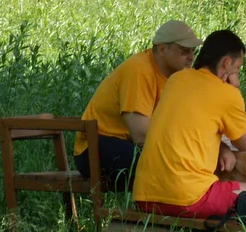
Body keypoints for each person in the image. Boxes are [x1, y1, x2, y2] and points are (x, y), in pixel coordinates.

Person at [133, 29, 246, 218]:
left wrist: (221, 145)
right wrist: (234, 89)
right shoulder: (227, 93)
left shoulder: (176, 79)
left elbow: (186, 125)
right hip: (188, 198)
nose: (237, 74)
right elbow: (245, 143)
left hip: (145, 196)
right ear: (226, 63)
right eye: (238, 68)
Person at [73, 20, 202, 190]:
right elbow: (141, 135)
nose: (191, 57)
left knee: (194, 159)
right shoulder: (140, 71)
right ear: (162, 49)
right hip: (96, 148)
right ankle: (154, 214)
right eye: (184, 51)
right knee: (173, 164)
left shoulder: (178, 76)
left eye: (193, 51)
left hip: (125, 144)